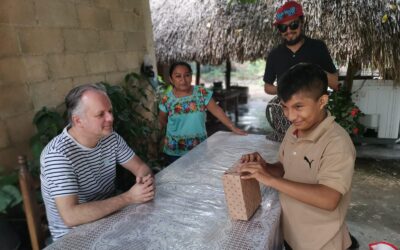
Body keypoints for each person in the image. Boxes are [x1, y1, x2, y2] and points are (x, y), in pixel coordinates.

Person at [240, 63, 355, 249]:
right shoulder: (294, 130)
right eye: (285, 107)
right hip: (293, 237)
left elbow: (329, 199)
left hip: (322, 243)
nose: (291, 116)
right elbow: (285, 168)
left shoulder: (336, 142)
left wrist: (270, 180)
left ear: (322, 101)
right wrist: (264, 167)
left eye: (299, 106)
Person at [40, 84, 155, 241]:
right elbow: (71, 216)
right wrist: (129, 197)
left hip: (111, 219)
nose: (111, 118)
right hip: (74, 237)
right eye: (100, 114)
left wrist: (144, 182)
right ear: (78, 120)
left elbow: (141, 167)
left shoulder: (110, 137)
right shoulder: (58, 155)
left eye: (110, 111)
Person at [264, 1, 340, 142]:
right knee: (287, 150)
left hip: (313, 112)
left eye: (293, 25)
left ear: (302, 22)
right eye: (282, 27)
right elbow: (267, 87)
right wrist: (285, 89)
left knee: (314, 149)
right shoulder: (275, 54)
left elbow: (335, 83)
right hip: (286, 113)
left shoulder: (317, 47)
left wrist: (312, 68)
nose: (288, 31)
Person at [159, 62, 247, 164]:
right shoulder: (167, 99)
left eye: (187, 75)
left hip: (199, 146)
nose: (183, 80)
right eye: (178, 76)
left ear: (191, 76)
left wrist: (233, 127)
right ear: (171, 79)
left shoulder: (201, 93)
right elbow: (162, 119)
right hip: (175, 149)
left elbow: (217, 110)